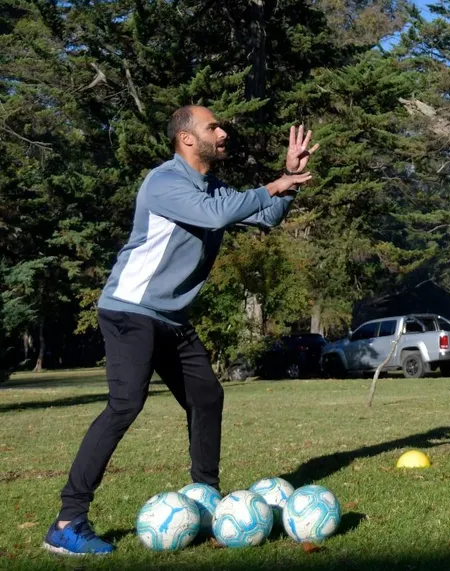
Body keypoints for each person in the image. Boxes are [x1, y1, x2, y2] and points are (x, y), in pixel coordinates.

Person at [43, 107, 317, 556]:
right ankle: (68, 519)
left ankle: (205, 495)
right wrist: (271, 184)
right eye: (213, 127)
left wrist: (287, 178)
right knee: (124, 404)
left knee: (207, 396)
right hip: (130, 310)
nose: (223, 132)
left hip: (171, 319)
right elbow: (214, 216)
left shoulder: (212, 186)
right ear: (187, 139)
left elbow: (263, 218)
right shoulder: (165, 182)